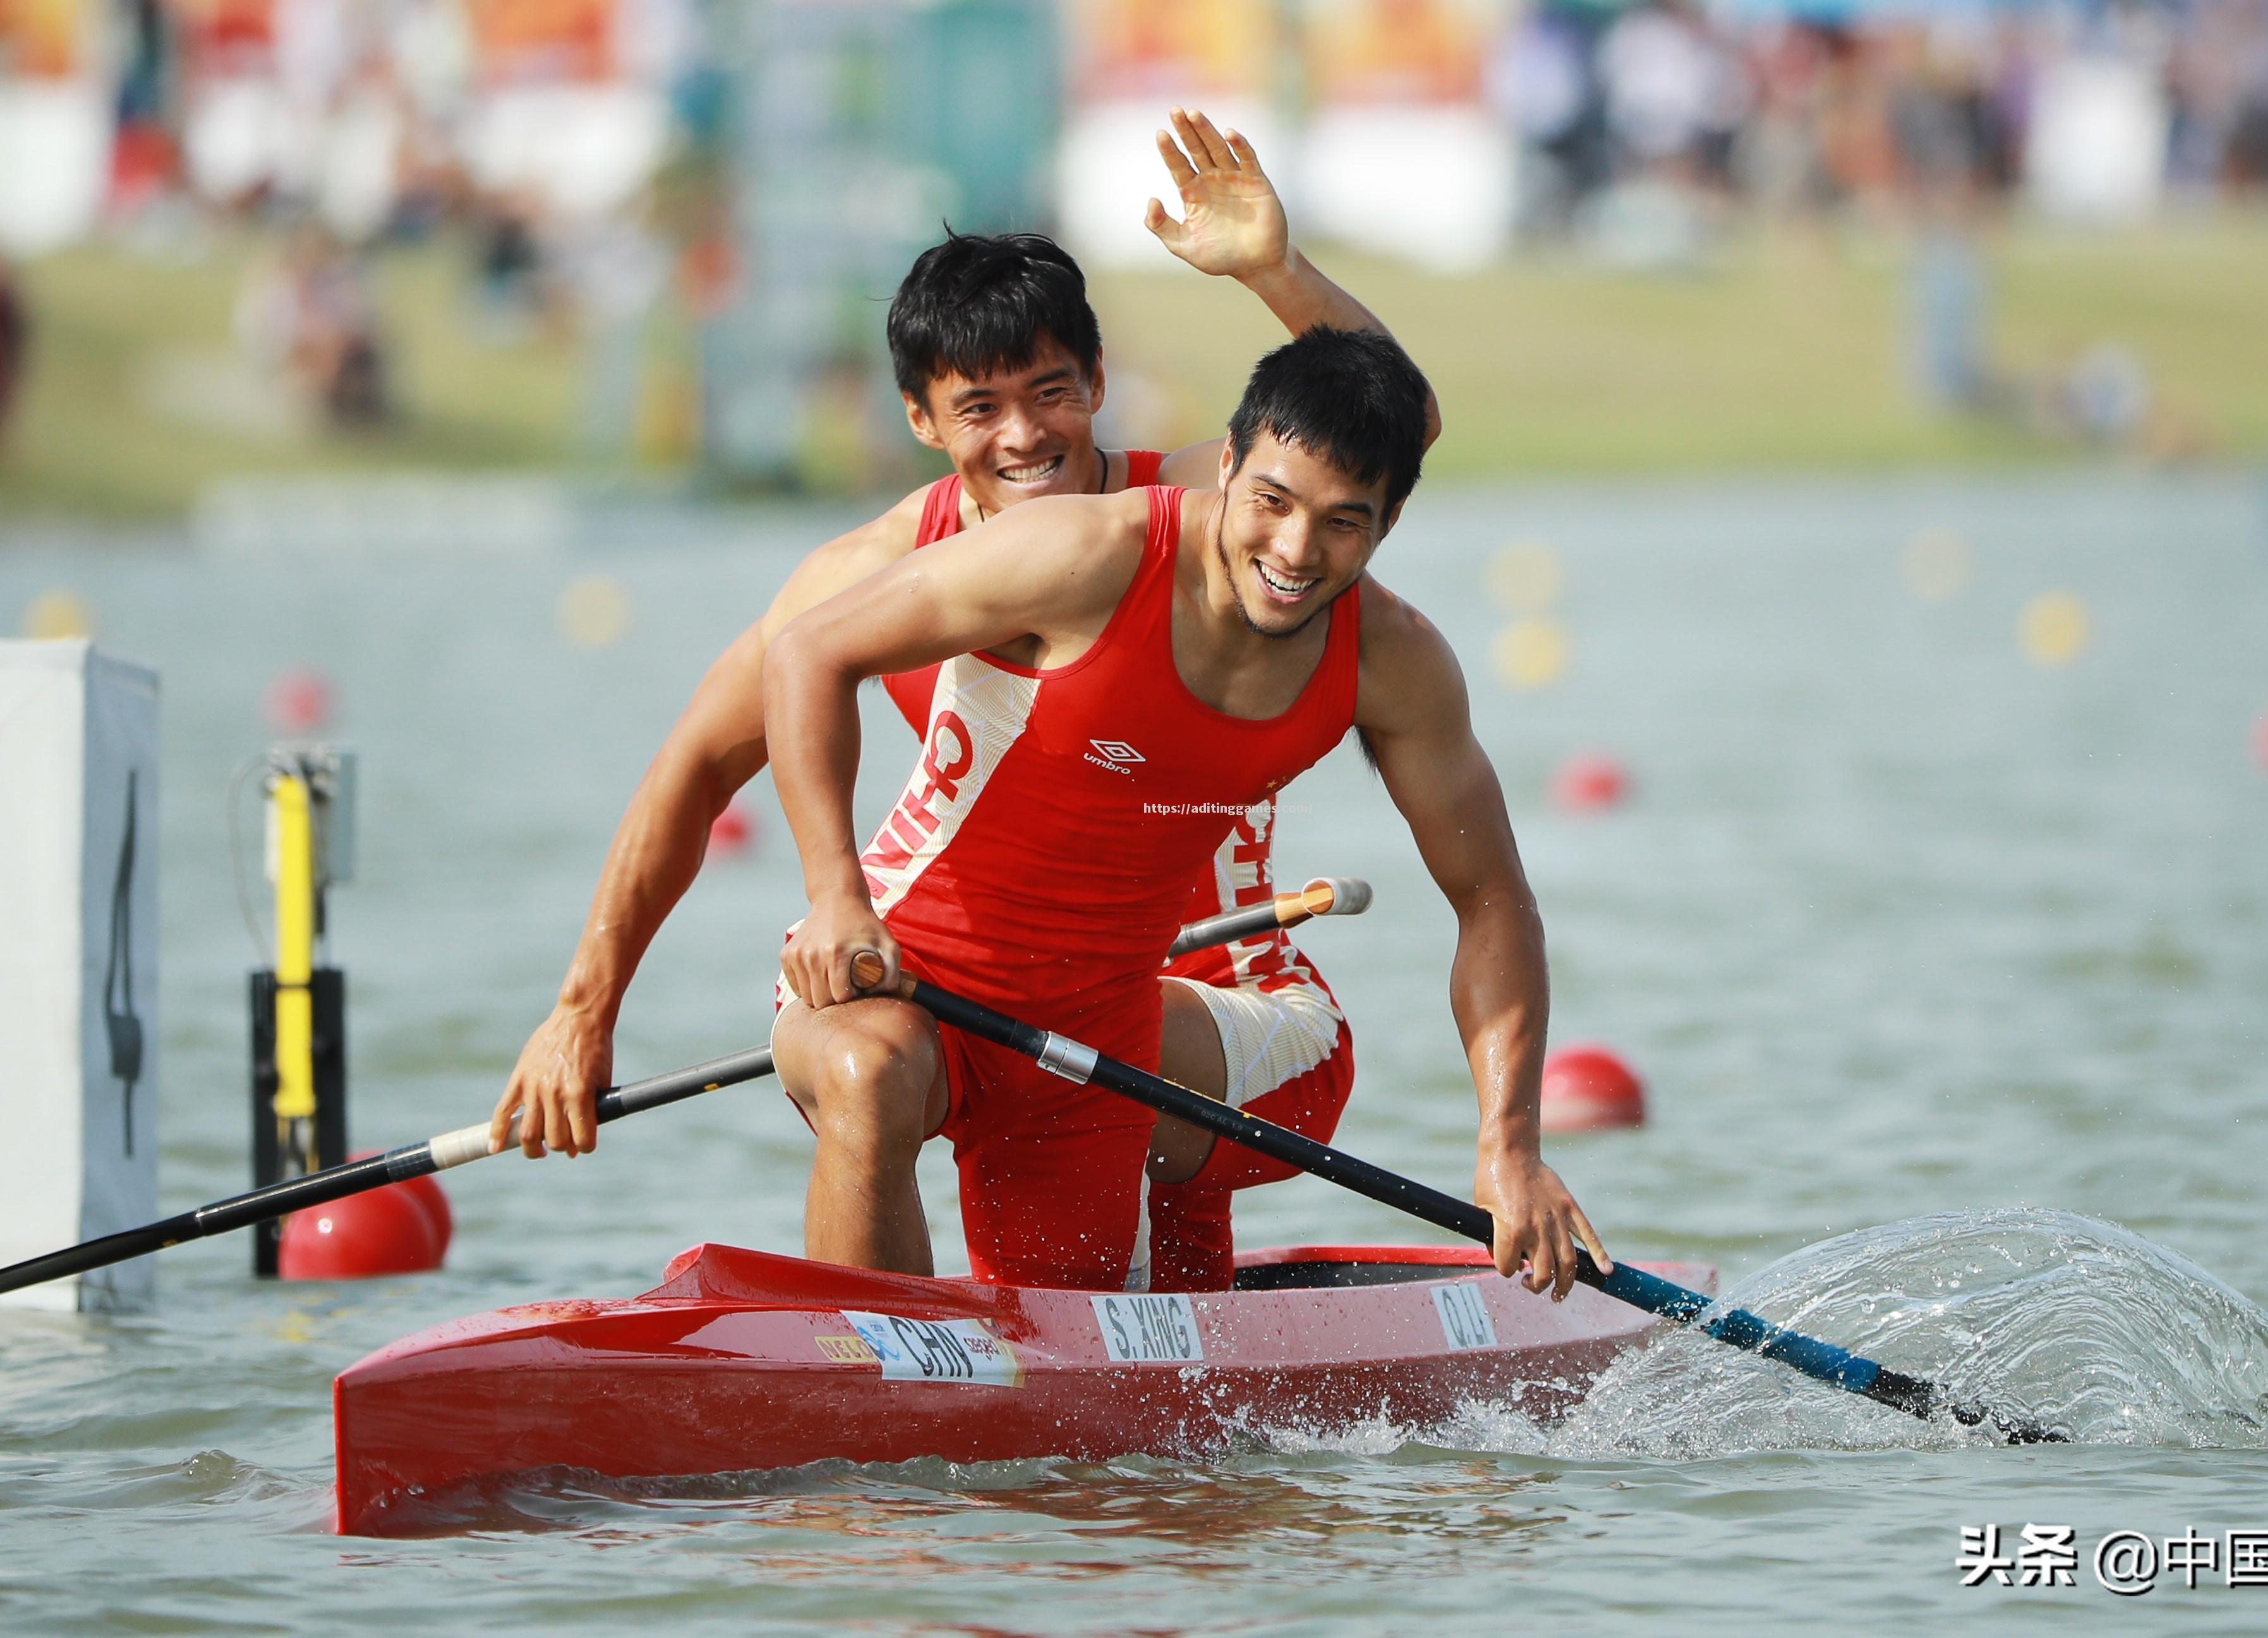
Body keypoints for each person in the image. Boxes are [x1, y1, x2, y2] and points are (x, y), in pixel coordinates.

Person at [490, 111, 1429, 1289]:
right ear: (922, 422)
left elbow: (1391, 425)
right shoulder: (867, 579)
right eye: (980, 408)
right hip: (985, 994)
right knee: (874, 1074)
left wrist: (1274, 273)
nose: (1026, 437)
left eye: (1052, 393)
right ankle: (886, 1363)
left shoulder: (1204, 511)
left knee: (1111, 1278)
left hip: (1212, 988)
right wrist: (583, 1012)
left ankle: (1172, 1314)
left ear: (1098, 383)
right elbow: (693, 769)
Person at [764, 325, 1609, 1300]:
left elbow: (1494, 900)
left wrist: (1510, 1148)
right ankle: (854, 1359)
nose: (1294, 552)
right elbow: (807, 653)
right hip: (903, 975)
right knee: (870, 1074)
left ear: (1390, 521)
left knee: (1082, 1375)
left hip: (1091, 1038)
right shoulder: (1084, 550)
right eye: (1272, 502)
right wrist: (835, 900)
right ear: (1227, 462)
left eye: (1344, 522)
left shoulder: (1396, 662)